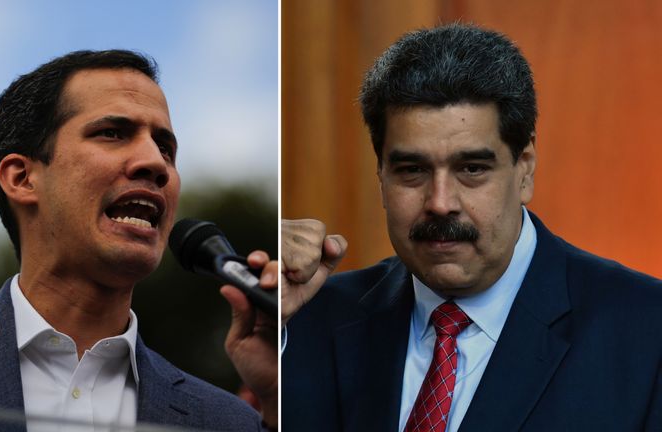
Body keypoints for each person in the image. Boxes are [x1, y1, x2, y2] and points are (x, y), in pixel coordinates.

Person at [281, 23, 662, 431]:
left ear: (525, 169)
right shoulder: (306, 319)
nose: (441, 203)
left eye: (472, 169)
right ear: (381, 174)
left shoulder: (647, 331)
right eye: (412, 170)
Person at [0, 50, 277, 431]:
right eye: (112, 133)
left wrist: (282, 397)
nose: (156, 163)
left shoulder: (228, 421)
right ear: (22, 178)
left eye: (165, 147)